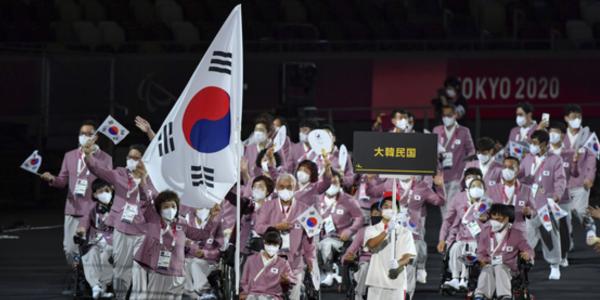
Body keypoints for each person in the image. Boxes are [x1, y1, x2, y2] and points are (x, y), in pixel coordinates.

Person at [83, 142, 159, 299]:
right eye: (129, 157)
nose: (131, 160)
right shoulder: (119, 174)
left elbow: (158, 203)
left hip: (144, 231)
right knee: (121, 270)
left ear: (143, 160)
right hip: (122, 228)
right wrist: (89, 155)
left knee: (140, 271)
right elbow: (97, 170)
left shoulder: (154, 179)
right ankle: (120, 297)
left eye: (135, 158)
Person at [40, 120, 113, 272]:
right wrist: (52, 179)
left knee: (93, 247)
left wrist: (89, 156)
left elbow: (107, 182)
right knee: (70, 249)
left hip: (95, 210)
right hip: (73, 209)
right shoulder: (69, 156)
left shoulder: (105, 158)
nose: (84, 136)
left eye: (88, 134)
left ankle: (91, 278)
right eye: (81, 133)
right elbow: (62, 181)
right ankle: (77, 272)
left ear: (95, 137)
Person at [134, 182, 221, 299]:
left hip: (177, 274)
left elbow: (202, 235)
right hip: (158, 271)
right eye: (166, 206)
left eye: (173, 206)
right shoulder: (154, 219)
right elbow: (145, 201)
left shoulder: (182, 224)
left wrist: (212, 217)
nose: (170, 209)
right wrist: (143, 181)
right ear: (159, 209)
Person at [367, 174, 445, 298]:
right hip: (392, 233)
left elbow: (440, 201)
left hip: (412, 234)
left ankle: (407, 295)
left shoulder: (421, 186)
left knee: (409, 267)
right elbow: (371, 192)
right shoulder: (390, 183)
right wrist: (369, 180)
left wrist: (440, 186)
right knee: (390, 266)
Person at [253, 173, 317, 300]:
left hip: (295, 263)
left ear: (295, 187)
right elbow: (258, 228)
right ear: (276, 188)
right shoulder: (267, 206)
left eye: (289, 186)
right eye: (282, 187)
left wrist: (311, 261)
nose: (285, 190)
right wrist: (275, 226)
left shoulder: (306, 210)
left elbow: (309, 240)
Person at [517, 130, 566, 280]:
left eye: (535, 143)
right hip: (530, 205)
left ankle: (555, 265)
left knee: (550, 236)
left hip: (546, 205)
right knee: (527, 236)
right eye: (531, 143)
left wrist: (557, 194)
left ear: (544, 144)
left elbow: (560, 179)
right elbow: (519, 175)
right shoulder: (527, 159)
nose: (532, 146)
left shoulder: (555, 160)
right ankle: (525, 262)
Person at [473, 204, 534, 300]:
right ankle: (480, 296)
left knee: (500, 268)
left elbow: (528, 249)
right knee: (487, 270)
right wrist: (482, 259)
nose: (494, 222)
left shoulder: (516, 234)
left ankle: (505, 297)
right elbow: (481, 252)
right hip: (490, 265)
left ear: (506, 219)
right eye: (492, 219)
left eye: (498, 219)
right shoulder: (485, 233)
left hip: (509, 268)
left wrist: (528, 255)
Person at [364, 192, 417, 300]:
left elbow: (407, 257)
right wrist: (387, 231)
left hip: (396, 282)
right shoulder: (372, 229)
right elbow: (371, 244)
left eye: (392, 207)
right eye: (386, 206)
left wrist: (398, 263)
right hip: (376, 281)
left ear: (397, 210)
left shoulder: (405, 232)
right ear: (381, 209)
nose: (389, 209)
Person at [316, 169, 365, 286]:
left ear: (340, 183)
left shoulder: (348, 200)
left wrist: (349, 232)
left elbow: (360, 218)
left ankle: (328, 273)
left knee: (326, 244)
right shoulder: (317, 199)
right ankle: (316, 272)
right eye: (330, 182)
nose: (332, 186)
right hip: (318, 235)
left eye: (335, 183)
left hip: (339, 238)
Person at [442, 179, 490, 291]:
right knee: (455, 248)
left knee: (470, 249)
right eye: (473, 186)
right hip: (462, 237)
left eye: (479, 186)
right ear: (468, 189)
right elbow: (456, 223)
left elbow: (490, 220)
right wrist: (450, 240)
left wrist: (485, 219)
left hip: (477, 240)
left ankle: (465, 278)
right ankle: (455, 277)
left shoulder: (487, 204)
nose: (476, 189)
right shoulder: (464, 205)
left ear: (484, 190)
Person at [562, 104, 598, 242]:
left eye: (579, 116)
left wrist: (590, 177)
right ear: (566, 118)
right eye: (573, 117)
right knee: (564, 214)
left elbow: (592, 158)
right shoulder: (560, 136)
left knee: (580, 210)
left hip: (581, 182)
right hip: (562, 184)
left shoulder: (589, 136)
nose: (576, 119)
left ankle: (590, 228)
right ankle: (567, 239)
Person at [433, 104, 475, 217]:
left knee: (450, 207)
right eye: (445, 115)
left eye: (450, 115)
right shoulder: (436, 130)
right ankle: (447, 233)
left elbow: (471, 150)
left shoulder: (464, 131)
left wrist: (468, 167)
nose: (447, 117)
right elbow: (431, 149)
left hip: (457, 174)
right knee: (443, 207)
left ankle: (448, 234)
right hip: (440, 175)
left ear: (455, 115)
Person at [76, 178, 115, 299]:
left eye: (107, 190)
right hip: (95, 241)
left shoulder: (117, 207)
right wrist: (81, 228)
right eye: (100, 191)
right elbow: (85, 220)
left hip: (112, 242)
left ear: (112, 190)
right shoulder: (92, 208)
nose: (105, 194)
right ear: (95, 195)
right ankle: (95, 287)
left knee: (104, 257)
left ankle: (102, 288)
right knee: (90, 253)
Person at [548, 122, 581, 266]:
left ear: (562, 135)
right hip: (546, 197)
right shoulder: (545, 153)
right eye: (550, 133)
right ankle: (552, 256)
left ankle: (564, 256)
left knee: (564, 228)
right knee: (548, 229)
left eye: (555, 133)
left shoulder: (569, 152)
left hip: (563, 197)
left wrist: (575, 162)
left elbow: (575, 173)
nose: (552, 135)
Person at [240, 227, 298, 300]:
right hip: (253, 294)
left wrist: (288, 278)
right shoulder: (251, 260)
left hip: (273, 296)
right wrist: (246, 293)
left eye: (274, 244)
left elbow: (295, 280)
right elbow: (244, 281)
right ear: (264, 242)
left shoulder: (282, 262)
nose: (271, 247)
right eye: (269, 243)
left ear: (279, 244)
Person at [485, 156, 536, 236]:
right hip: (498, 232)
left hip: (519, 232)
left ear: (517, 170)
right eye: (504, 167)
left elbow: (534, 210)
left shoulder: (526, 190)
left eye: (511, 167)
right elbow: (485, 212)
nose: (507, 170)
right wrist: (484, 217)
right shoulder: (491, 190)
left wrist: (530, 212)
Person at [438, 167, 483, 254]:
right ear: (464, 180)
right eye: (469, 177)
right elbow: (448, 220)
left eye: (475, 177)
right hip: (461, 240)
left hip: (480, 241)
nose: (472, 180)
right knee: (455, 251)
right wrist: (442, 239)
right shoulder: (458, 197)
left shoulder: (488, 198)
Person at [342, 203, 381, 300]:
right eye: (376, 214)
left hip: (382, 262)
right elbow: (348, 253)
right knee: (365, 268)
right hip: (366, 262)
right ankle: (358, 295)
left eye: (381, 215)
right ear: (371, 216)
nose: (379, 217)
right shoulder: (362, 232)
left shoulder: (390, 232)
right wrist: (347, 258)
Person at [183, 206, 224, 300]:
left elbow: (220, 249)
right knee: (184, 263)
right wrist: (184, 246)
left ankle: (206, 292)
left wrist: (205, 253)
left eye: (205, 206)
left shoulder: (217, 225)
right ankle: (191, 295)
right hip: (190, 258)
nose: (202, 209)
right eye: (199, 206)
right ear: (194, 208)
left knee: (195, 264)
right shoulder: (188, 224)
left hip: (209, 262)